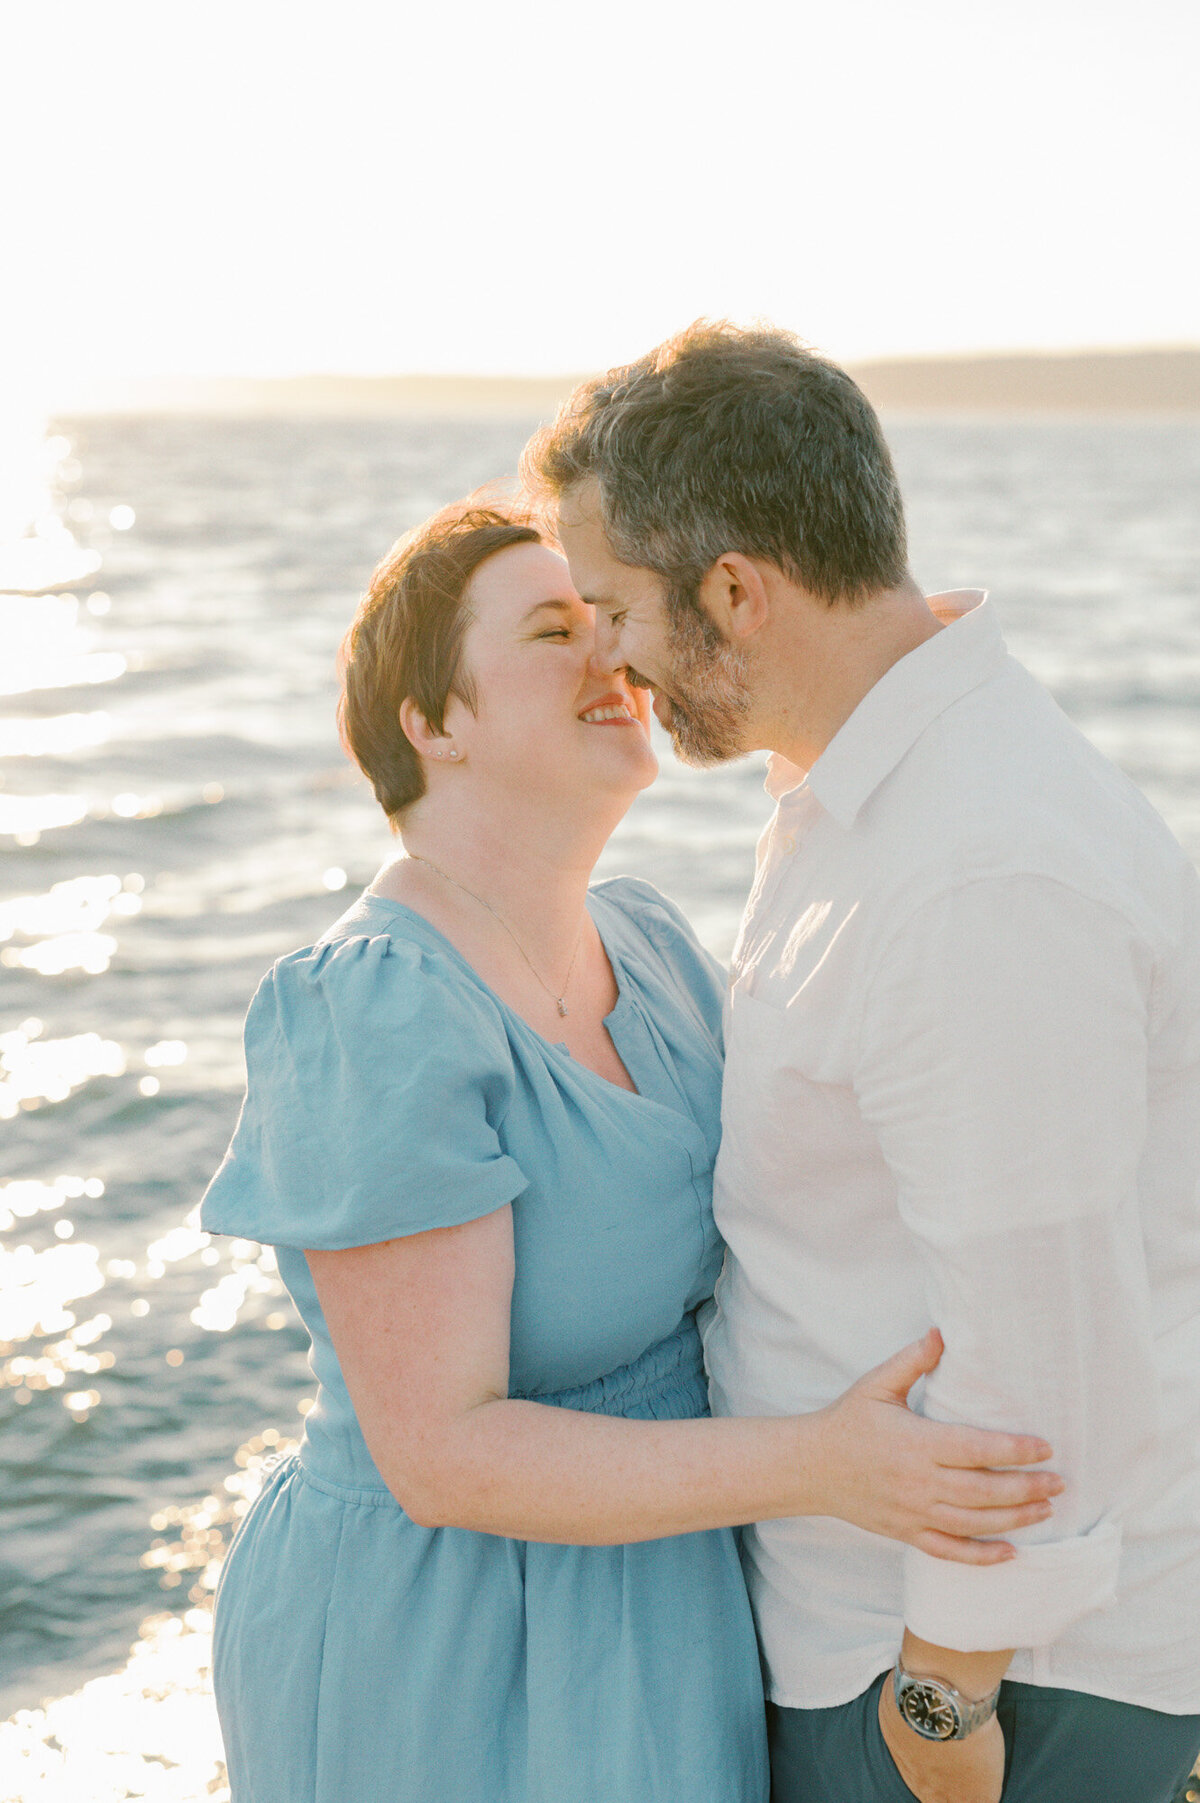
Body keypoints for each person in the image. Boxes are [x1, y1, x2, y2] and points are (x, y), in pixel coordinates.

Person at [199, 502, 1060, 1803]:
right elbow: (442, 1455)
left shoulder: (651, 945)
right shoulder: (372, 1005)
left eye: (609, 619)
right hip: (444, 1632)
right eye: (552, 630)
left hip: (671, 1596)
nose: (612, 655)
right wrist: (831, 1465)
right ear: (434, 723)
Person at [532, 319, 1200, 1803]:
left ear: (734, 592)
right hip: (885, 1640)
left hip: (992, 1686)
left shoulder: (978, 874)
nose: (611, 660)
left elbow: (1047, 1351)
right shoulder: (873, 801)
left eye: (615, 608)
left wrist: (939, 1707)